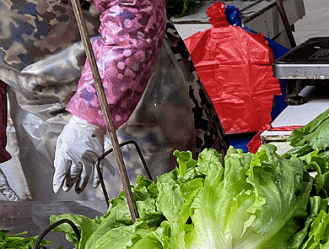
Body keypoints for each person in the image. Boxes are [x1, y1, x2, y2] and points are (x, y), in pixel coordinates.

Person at [0, 0, 227, 206]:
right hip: (38, 109)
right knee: (72, 224)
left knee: (169, 207)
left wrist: (89, 116)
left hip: (128, 84)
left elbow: (135, 7)